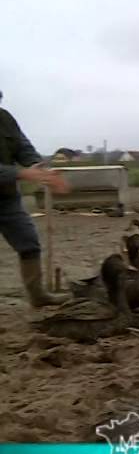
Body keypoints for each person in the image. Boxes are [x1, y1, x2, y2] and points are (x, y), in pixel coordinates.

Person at [0, 90, 72, 307]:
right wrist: (22, 173)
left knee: (28, 243)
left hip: (6, 198)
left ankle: (38, 296)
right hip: (9, 184)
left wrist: (39, 168)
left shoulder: (5, 118)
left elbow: (23, 147)